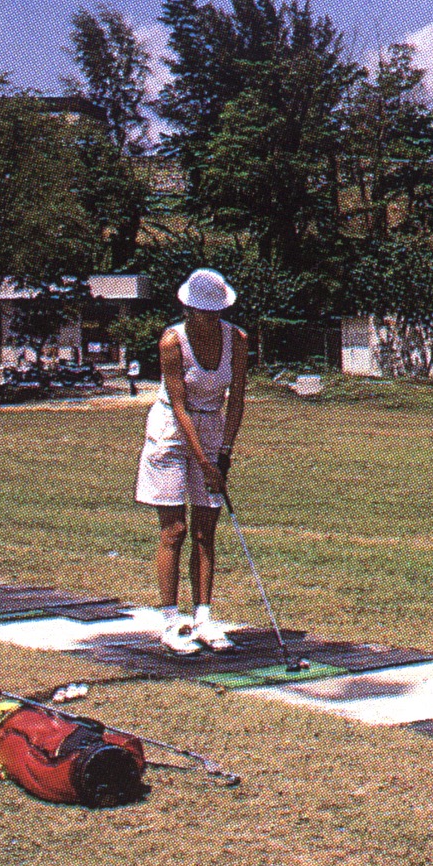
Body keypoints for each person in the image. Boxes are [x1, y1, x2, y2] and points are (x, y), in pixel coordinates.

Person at [133, 269, 249, 655]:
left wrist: (224, 454)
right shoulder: (172, 341)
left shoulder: (237, 339)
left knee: (206, 529)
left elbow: (236, 401)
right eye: (203, 312)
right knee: (175, 529)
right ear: (188, 309)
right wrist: (204, 461)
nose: (211, 319)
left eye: (217, 312)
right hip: (171, 430)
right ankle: (169, 622)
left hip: (213, 425)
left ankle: (203, 618)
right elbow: (179, 406)